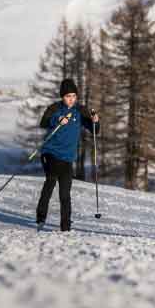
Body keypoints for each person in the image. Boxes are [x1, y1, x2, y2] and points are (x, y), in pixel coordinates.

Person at [36, 79, 100, 232]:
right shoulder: (55, 108)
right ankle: (41, 218)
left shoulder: (80, 110)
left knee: (65, 193)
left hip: (67, 157)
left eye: (73, 96)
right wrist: (57, 119)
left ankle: (65, 226)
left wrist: (95, 121)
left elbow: (94, 130)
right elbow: (43, 122)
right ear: (62, 97)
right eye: (67, 96)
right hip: (50, 152)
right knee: (50, 182)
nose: (71, 99)